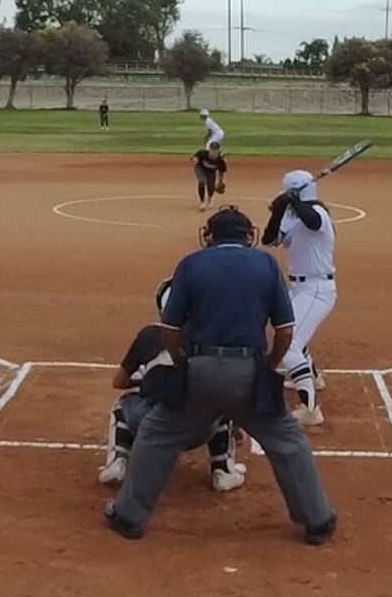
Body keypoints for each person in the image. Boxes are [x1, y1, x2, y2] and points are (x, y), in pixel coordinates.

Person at [104, 206, 337, 545]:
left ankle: (128, 516)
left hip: (200, 369)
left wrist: (184, 365)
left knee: (156, 433)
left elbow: (170, 329)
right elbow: (285, 331)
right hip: (249, 369)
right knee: (288, 441)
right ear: (249, 236)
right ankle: (317, 520)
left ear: (209, 236)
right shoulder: (266, 264)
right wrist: (267, 366)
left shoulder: (191, 264)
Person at [98, 278, 246, 492]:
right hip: (200, 429)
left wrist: (145, 382)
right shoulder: (213, 339)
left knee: (122, 404)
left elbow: (118, 382)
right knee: (219, 394)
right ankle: (223, 470)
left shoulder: (149, 334)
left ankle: (117, 462)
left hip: (152, 426)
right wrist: (237, 425)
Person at [262, 169, 337, 426]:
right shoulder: (291, 216)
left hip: (318, 288)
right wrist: (277, 211)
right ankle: (312, 377)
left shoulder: (319, 213)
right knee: (291, 331)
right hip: (298, 287)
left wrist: (292, 200)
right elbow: (269, 240)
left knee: (290, 343)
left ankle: (311, 409)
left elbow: (312, 221)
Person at [192, 142, 227, 211]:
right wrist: (195, 159)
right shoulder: (203, 153)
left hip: (211, 172)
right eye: (212, 149)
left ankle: (210, 198)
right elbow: (195, 157)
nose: (213, 151)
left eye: (215, 150)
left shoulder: (220, 159)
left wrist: (220, 180)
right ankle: (202, 202)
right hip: (200, 169)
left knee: (211, 187)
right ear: (209, 149)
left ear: (218, 150)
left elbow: (221, 171)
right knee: (202, 181)